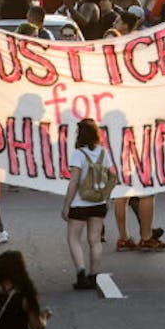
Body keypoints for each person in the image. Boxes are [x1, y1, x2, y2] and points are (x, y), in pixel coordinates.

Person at [61, 118, 114, 289]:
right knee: (95, 240)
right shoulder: (103, 153)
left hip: (79, 203)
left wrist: (66, 205)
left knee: (74, 238)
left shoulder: (78, 154)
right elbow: (111, 178)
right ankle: (94, 276)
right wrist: (107, 199)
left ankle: (81, 273)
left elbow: (74, 181)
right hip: (98, 201)